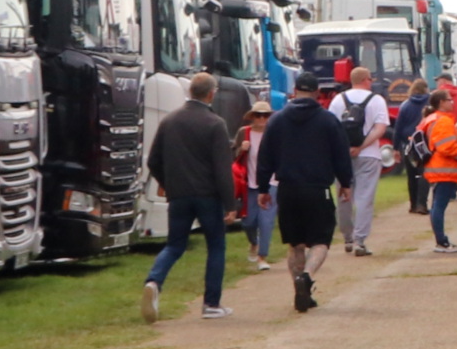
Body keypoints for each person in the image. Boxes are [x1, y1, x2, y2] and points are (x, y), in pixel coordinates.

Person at [254, 73, 356, 312]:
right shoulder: (328, 121)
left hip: (287, 189)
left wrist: (262, 189)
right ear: (317, 92)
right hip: (317, 189)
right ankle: (307, 277)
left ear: (295, 91)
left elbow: (265, 158)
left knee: (295, 244)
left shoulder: (277, 121)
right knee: (320, 241)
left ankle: (299, 289)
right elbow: (341, 155)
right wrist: (345, 183)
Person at [142, 71, 237, 320]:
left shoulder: (169, 120)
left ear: (190, 92)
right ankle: (211, 303)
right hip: (208, 195)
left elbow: (153, 160)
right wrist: (230, 203)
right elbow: (221, 168)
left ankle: (154, 282)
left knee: (174, 245)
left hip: (179, 194)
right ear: (211, 94)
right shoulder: (215, 124)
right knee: (215, 246)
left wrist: (167, 183)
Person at [331, 66, 394, 258]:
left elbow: (332, 128)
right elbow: (380, 129)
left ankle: (347, 237)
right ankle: (360, 240)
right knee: (364, 197)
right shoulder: (376, 100)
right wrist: (362, 146)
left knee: (343, 194)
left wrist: (344, 148)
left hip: (341, 154)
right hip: (369, 154)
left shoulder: (337, 100)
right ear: (366, 80)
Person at [418, 87, 457, 252]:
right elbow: (446, 147)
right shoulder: (443, 120)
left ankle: (441, 240)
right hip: (444, 169)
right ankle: (442, 242)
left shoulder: (430, 119)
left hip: (437, 167)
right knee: (439, 206)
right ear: (441, 102)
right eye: (449, 99)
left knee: (437, 205)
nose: (452, 102)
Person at [237, 99, 275, 272]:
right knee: (248, 221)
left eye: (265, 115)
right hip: (250, 184)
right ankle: (254, 242)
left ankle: (262, 256)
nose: (261, 119)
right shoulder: (244, 133)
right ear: (252, 117)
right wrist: (241, 149)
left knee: (266, 221)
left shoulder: (275, 132)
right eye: (258, 115)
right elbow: (232, 157)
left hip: (272, 183)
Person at [393, 81, 435, 215]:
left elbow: (398, 128)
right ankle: (421, 204)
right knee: (424, 173)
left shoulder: (405, 105)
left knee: (412, 175)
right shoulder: (430, 104)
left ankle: (412, 204)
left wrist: (395, 148)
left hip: (408, 143)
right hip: (425, 142)